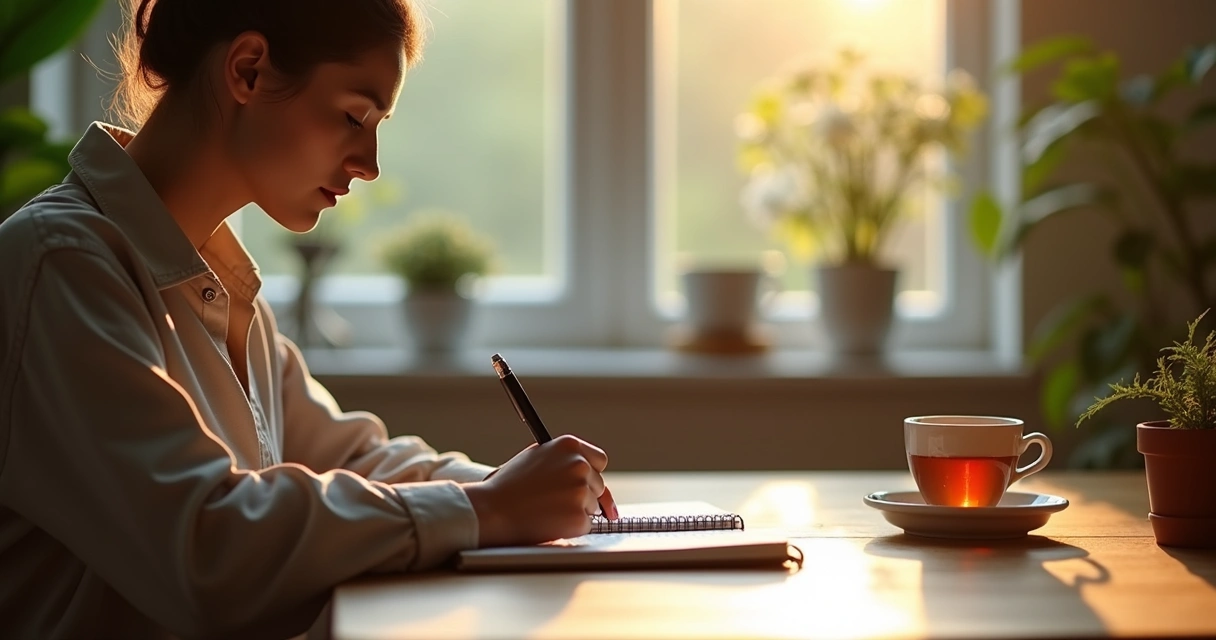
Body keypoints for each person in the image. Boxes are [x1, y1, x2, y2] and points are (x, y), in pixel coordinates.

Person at [0, 0, 619, 637]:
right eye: (353, 116)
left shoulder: (219, 289)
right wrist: (485, 507)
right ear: (248, 70)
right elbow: (205, 546)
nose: (369, 164)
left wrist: (510, 490)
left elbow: (350, 459)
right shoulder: (62, 264)